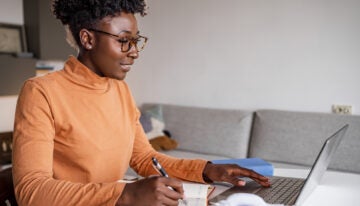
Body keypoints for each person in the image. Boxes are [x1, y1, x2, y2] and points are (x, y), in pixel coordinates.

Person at [12, 0, 270, 205]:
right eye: (124, 41)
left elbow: (145, 158)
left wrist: (208, 170)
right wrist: (124, 195)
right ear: (88, 39)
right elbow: (32, 192)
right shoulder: (41, 92)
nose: (134, 51)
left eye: (135, 41)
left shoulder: (120, 89)